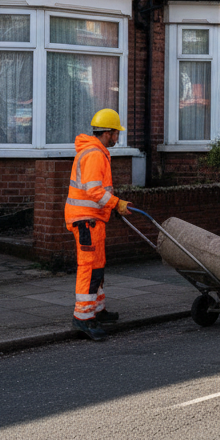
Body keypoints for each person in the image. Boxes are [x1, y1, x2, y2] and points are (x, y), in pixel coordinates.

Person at [66, 108, 132, 342]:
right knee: (88, 267)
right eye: (116, 133)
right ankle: (83, 317)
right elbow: (93, 191)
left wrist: (111, 207)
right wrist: (116, 204)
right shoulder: (94, 154)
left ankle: (97, 310)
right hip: (86, 220)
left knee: (98, 266)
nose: (117, 137)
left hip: (93, 219)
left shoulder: (97, 151)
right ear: (109, 133)